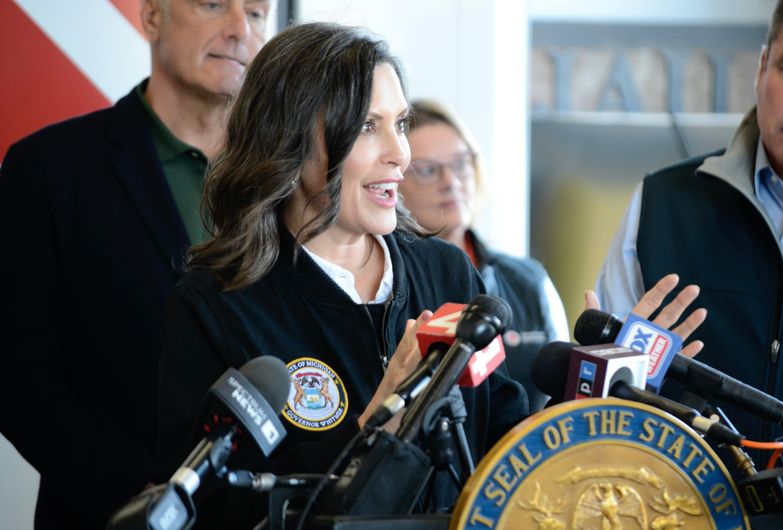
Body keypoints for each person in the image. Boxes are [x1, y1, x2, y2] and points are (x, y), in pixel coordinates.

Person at [157, 21, 707, 529]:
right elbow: (211, 509)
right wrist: (377, 427)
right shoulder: (216, 304)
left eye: (400, 124)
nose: (400, 153)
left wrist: (595, 397)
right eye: (368, 126)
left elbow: (506, 458)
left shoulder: (446, 271)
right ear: (289, 140)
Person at [0, 1, 270, 527]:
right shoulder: (49, 169)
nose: (240, 29)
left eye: (257, 13)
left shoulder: (293, 173)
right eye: (212, 4)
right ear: (151, 18)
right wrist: (144, 491)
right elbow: (20, 373)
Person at [595, 0, 783, 456]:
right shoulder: (661, 203)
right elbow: (604, 404)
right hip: (676, 492)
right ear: (762, 68)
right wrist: (611, 367)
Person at [399, 100, 569, 412]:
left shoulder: (528, 280)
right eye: (428, 170)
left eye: (461, 163)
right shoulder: (386, 286)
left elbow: (561, 397)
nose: (451, 182)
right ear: (394, 183)